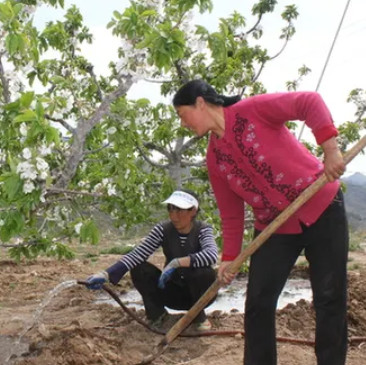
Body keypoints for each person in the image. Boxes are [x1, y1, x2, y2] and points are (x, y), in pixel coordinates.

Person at [172, 79, 349, 365]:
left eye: (183, 114)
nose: (183, 124)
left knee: (329, 298)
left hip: (322, 207)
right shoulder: (214, 159)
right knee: (258, 303)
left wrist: (330, 151)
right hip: (275, 226)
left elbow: (309, 101)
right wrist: (230, 257)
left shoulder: (252, 110)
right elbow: (231, 214)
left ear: (200, 103)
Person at [85, 189, 218, 332]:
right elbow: (137, 254)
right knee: (139, 267)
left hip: (200, 294)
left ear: (193, 211)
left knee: (203, 272)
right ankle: (157, 315)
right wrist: (106, 274)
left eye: (179, 211)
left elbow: (211, 255)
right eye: (171, 210)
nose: (174, 216)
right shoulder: (162, 229)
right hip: (172, 293)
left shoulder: (203, 230)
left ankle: (198, 316)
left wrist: (177, 262)